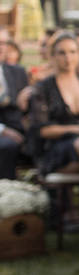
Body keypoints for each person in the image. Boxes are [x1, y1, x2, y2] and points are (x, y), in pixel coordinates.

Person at [26, 31, 79, 176]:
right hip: (55, 149)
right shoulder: (43, 88)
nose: (68, 57)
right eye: (62, 53)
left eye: (72, 52)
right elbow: (41, 130)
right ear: (52, 56)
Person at [0, 52, 30, 181]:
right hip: (3, 133)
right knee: (7, 146)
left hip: (20, 127)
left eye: (3, 43)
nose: (1, 47)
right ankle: (6, 193)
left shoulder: (17, 71)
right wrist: (3, 131)